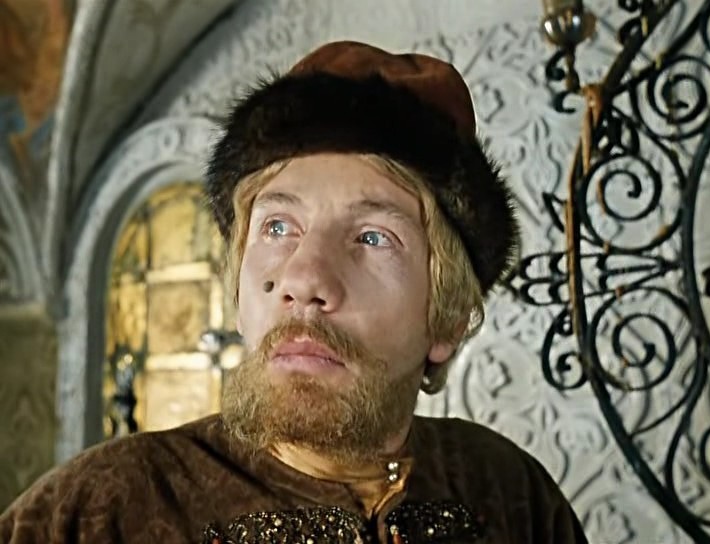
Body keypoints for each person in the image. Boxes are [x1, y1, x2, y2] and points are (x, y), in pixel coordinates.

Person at [0, 41, 588, 544]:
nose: (304, 278)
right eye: (278, 227)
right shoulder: (100, 510)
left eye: (373, 237)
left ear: (448, 319)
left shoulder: (509, 494)